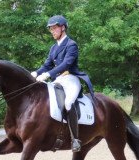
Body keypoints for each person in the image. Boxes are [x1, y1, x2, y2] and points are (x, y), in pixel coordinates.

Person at [31, 15, 95, 152]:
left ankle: (75, 139)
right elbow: (47, 64)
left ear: (63, 27)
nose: (52, 32)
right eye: (51, 29)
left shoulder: (71, 45)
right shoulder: (54, 48)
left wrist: (48, 75)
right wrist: (35, 73)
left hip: (71, 79)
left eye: (54, 28)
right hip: (58, 80)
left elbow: (66, 63)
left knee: (68, 103)